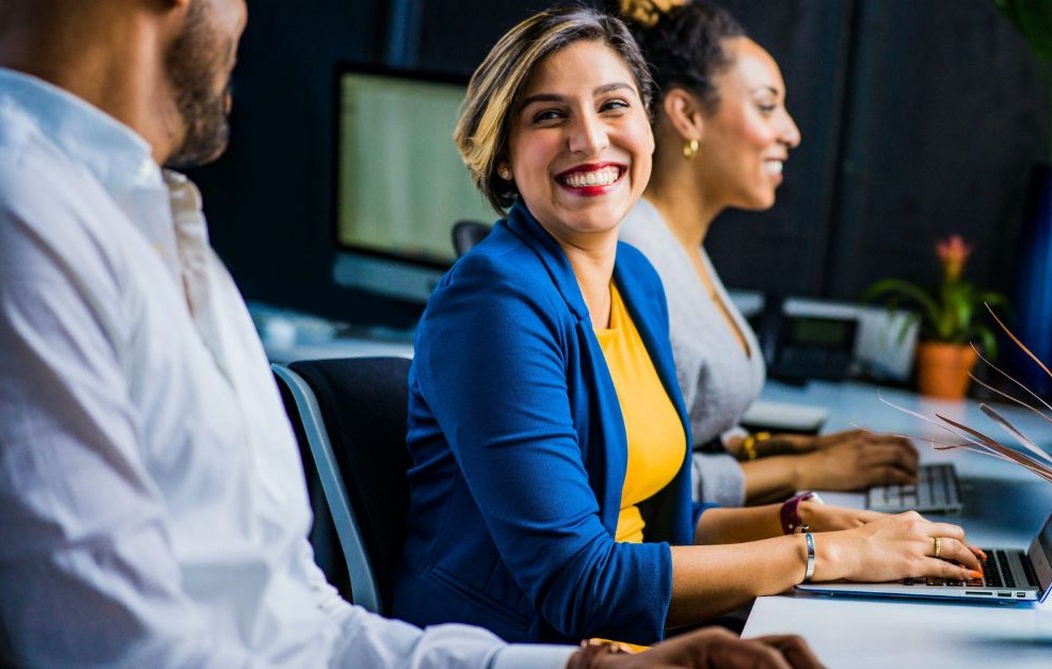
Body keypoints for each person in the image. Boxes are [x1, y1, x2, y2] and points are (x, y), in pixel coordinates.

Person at [0, 1, 821, 667]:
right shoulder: (26, 217)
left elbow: (299, 615)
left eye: (613, 106)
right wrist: (812, 556)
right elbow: (118, 646)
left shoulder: (165, 228)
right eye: (550, 116)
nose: (247, 20)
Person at [395, 4, 984, 648]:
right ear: (504, 157)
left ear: (649, 128)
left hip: (633, 636)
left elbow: (656, 527)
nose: (590, 139)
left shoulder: (636, 279)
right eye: (548, 115)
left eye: (613, 106)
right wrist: (826, 556)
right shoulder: (493, 303)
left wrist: (799, 520)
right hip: (526, 649)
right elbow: (579, 580)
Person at [614, 0, 921, 508]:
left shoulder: (679, 244)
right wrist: (804, 468)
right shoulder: (633, 255)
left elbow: (695, 430)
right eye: (766, 105)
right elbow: (636, 482)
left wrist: (797, 447)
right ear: (687, 114)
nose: (791, 132)